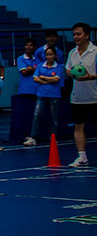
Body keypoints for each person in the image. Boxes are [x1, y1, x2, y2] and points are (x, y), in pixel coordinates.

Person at [66, 22, 97, 167]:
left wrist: (90, 77)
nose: (76, 37)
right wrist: (71, 74)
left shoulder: (95, 51)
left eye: (79, 34)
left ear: (87, 35)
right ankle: (82, 157)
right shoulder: (72, 53)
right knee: (78, 126)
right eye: (74, 34)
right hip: (77, 98)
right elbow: (68, 69)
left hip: (94, 97)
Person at [25, 47, 64, 146]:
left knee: (54, 116)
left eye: (51, 54)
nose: (49, 57)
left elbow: (56, 79)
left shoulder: (59, 67)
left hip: (54, 95)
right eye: (47, 55)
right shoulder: (40, 66)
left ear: (55, 56)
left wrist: (43, 77)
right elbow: (35, 78)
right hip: (41, 94)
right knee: (36, 115)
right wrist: (48, 80)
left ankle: (53, 137)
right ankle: (33, 137)